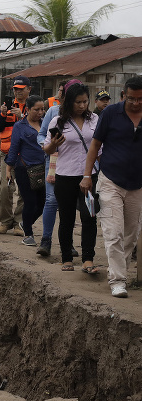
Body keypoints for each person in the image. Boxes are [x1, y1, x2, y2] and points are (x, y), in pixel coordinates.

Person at [80, 75, 142, 298]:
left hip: (137, 184)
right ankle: (118, 280)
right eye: (132, 99)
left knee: (130, 235)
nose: (136, 103)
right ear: (124, 95)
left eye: (140, 99)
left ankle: (120, 271)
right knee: (113, 232)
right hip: (110, 181)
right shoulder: (110, 114)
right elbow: (95, 144)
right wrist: (87, 175)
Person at [43, 82, 99, 272]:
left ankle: (88, 259)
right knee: (66, 218)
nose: (82, 106)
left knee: (89, 216)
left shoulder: (95, 120)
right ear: (69, 103)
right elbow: (48, 149)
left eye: (85, 102)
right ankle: (67, 258)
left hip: (89, 176)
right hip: (65, 176)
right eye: (78, 102)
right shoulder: (58, 122)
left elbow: (100, 148)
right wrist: (53, 144)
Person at [36, 79, 81, 256]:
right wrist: (48, 145)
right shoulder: (53, 113)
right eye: (61, 91)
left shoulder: (87, 116)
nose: (61, 95)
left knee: (68, 204)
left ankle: (67, 243)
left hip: (76, 164)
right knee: (51, 200)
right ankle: (46, 240)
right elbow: (41, 134)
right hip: (54, 160)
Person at [4, 95, 47, 246]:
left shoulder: (45, 124)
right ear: (28, 110)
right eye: (37, 109)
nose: (40, 112)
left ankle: (25, 223)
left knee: (42, 203)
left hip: (43, 169)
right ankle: (28, 234)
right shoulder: (20, 126)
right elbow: (14, 149)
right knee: (30, 202)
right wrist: (8, 169)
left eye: (42, 109)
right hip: (24, 169)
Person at [0, 75, 32, 235]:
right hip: (7, 154)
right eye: (15, 90)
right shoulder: (7, 106)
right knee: (5, 188)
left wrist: (22, 117)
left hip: (26, 155)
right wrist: (2, 115)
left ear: (29, 89)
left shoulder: (34, 106)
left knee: (25, 191)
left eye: (21, 89)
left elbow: (37, 128)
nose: (17, 93)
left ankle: (19, 223)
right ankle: (5, 221)